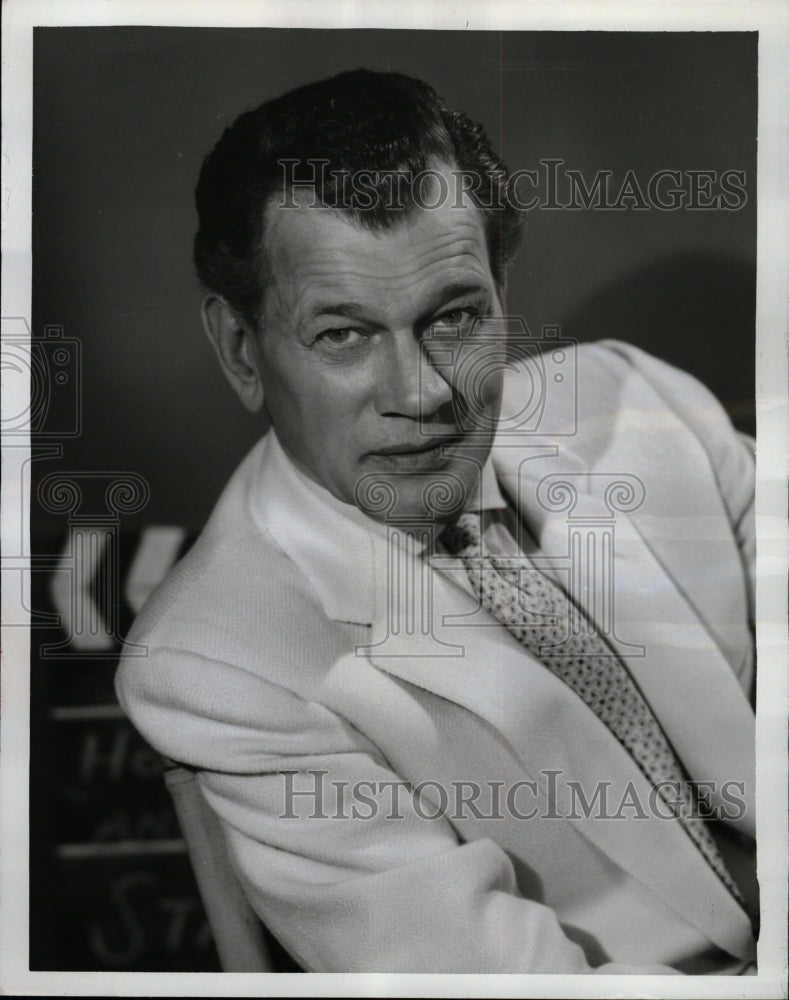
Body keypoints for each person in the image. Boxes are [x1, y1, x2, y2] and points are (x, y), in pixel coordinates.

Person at [115, 69, 758, 974]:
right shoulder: (218, 664)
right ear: (241, 353)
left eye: (454, 316)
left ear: (502, 291)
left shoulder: (640, 400)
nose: (421, 393)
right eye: (343, 334)